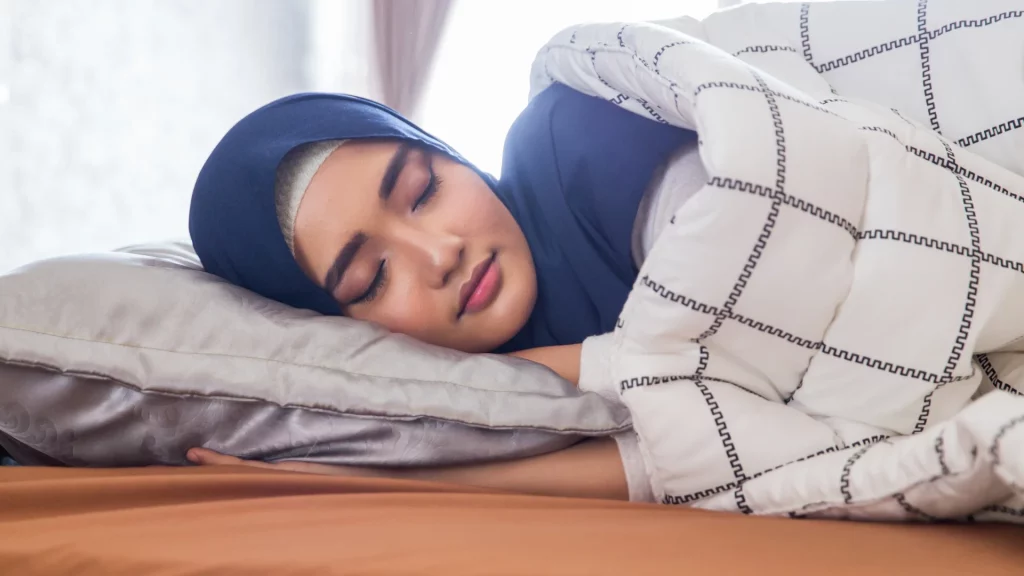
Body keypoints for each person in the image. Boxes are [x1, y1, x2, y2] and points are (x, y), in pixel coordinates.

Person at [187, 85, 707, 500]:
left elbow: (732, 350)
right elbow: (691, 452)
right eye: (373, 278)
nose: (441, 255)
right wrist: (371, 482)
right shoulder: (462, 403)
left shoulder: (580, 144)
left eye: (424, 191)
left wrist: (545, 364)